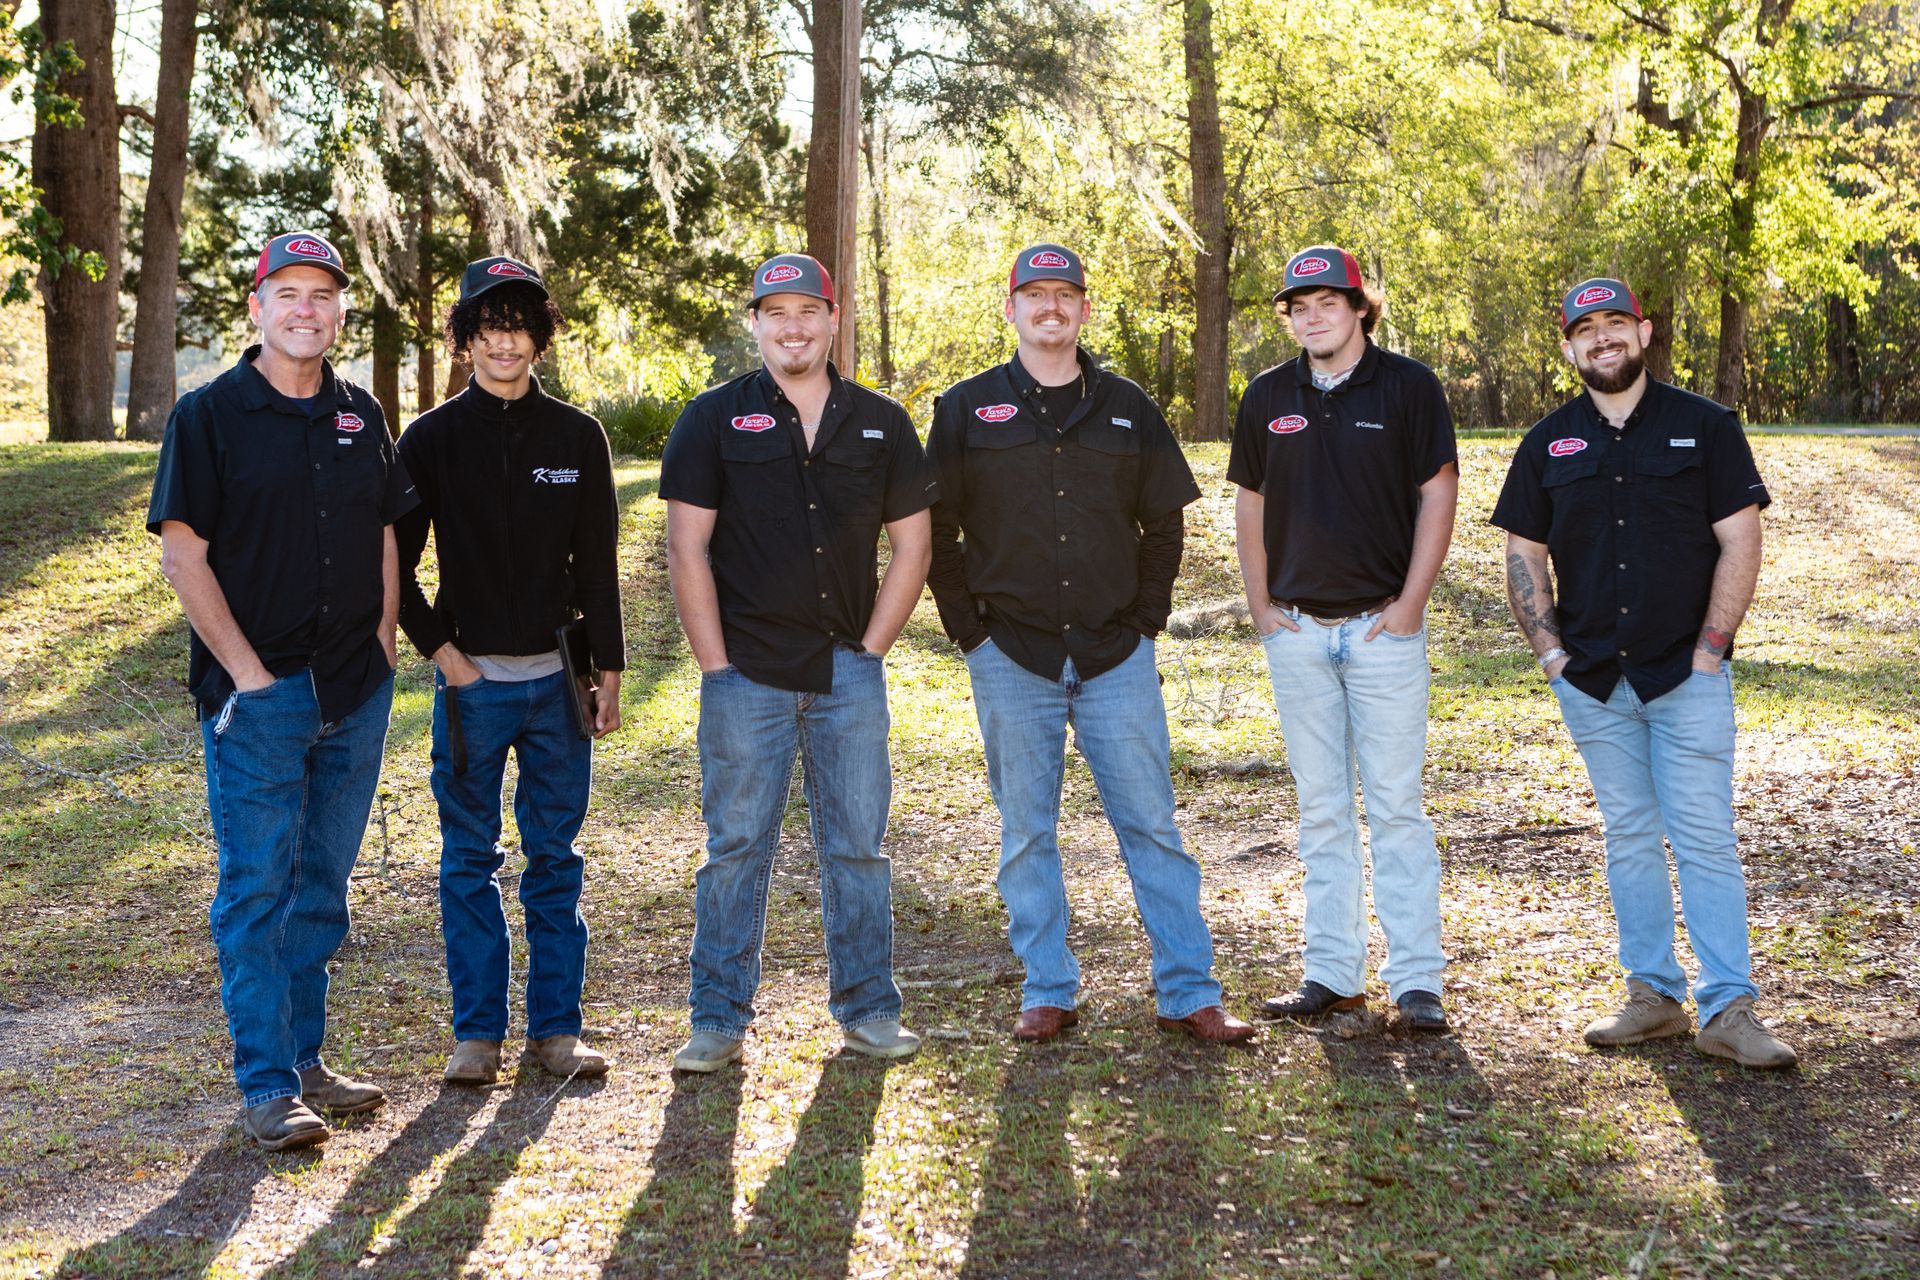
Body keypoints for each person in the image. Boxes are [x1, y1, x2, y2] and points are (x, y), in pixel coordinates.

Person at [926, 242, 1255, 1045]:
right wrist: (972, 633)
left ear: (1083, 307)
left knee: (1152, 826)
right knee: (1027, 830)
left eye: (1064, 294)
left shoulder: (1128, 406)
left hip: (1116, 657)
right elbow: (936, 531)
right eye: (1033, 294)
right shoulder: (966, 410)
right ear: (1010, 309)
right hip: (1012, 654)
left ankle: (1189, 991)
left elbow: (1165, 524)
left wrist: (1144, 621)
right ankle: (1047, 987)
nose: (1050, 307)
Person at [147, 230, 416, 1151]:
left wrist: (382, 643)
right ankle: (265, 1084)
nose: (307, 309)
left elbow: (387, 532)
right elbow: (184, 556)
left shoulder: (359, 411)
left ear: (341, 310)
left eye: (323, 295)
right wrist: (252, 678)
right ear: (256, 307)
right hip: (259, 698)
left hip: (355, 687)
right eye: (288, 293)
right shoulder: (210, 414)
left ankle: (304, 1062)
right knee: (257, 887)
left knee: (323, 888)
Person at [1491, 277, 1796, 1069]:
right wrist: (1552, 657)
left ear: (1645, 330)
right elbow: (1523, 554)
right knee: (1628, 836)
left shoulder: (1707, 426)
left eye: (1616, 322)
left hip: (1685, 674)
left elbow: (1741, 539)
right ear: (1568, 346)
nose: (1603, 338)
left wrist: (1711, 649)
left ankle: (1729, 1008)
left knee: (1702, 838)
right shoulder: (1546, 443)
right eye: (1585, 328)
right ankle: (1653, 997)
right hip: (1593, 680)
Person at [659, 253, 936, 1071]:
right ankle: (716, 1019)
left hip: (846, 673)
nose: (793, 326)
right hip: (745, 673)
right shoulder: (712, 419)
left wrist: (873, 649)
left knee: (858, 847)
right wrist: (715, 666)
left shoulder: (881, 421)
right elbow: (686, 548)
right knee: (736, 848)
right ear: (755, 323)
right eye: (775, 312)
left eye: (807, 311)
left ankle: (869, 1010)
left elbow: (912, 545)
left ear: (832, 317)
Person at [395, 256, 626, 1087]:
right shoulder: (428, 441)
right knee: (468, 860)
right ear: (466, 339)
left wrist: (610, 669)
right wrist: (444, 657)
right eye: (488, 327)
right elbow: (394, 569)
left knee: (555, 858)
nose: (504, 341)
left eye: (519, 326)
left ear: (539, 337)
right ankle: (477, 1038)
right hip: (474, 690)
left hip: (558, 684)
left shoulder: (576, 436)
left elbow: (597, 561)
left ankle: (557, 1033)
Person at [1228, 245, 1458, 1034]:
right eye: (1298, 305)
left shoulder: (1409, 388)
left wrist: (1410, 607)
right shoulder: (1267, 396)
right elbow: (1250, 505)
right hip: (1297, 633)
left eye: (1328, 301)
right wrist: (1261, 606)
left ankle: (1417, 981)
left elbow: (1438, 494)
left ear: (1362, 307)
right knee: (1321, 810)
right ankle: (1331, 972)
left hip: (1381, 632)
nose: (1311, 315)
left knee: (1396, 806)